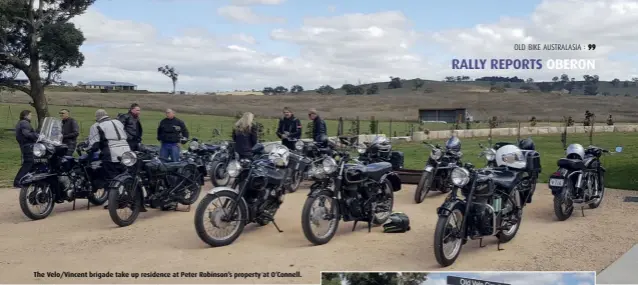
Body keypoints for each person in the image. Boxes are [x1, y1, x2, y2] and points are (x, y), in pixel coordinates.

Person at [87, 109, 131, 209]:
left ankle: (118, 200)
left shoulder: (97, 126)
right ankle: (128, 196)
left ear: (97, 117)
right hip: (126, 151)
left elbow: (95, 145)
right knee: (124, 174)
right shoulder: (118, 122)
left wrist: (88, 149)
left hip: (111, 153)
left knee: (112, 177)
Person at [13, 110, 39, 188]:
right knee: (28, 163)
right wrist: (37, 136)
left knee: (30, 162)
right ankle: (18, 181)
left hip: (25, 145)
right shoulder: (25, 123)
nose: (31, 116)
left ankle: (26, 180)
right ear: (26, 115)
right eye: (30, 115)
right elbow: (27, 134)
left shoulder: (21, 122)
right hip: (28, 145)